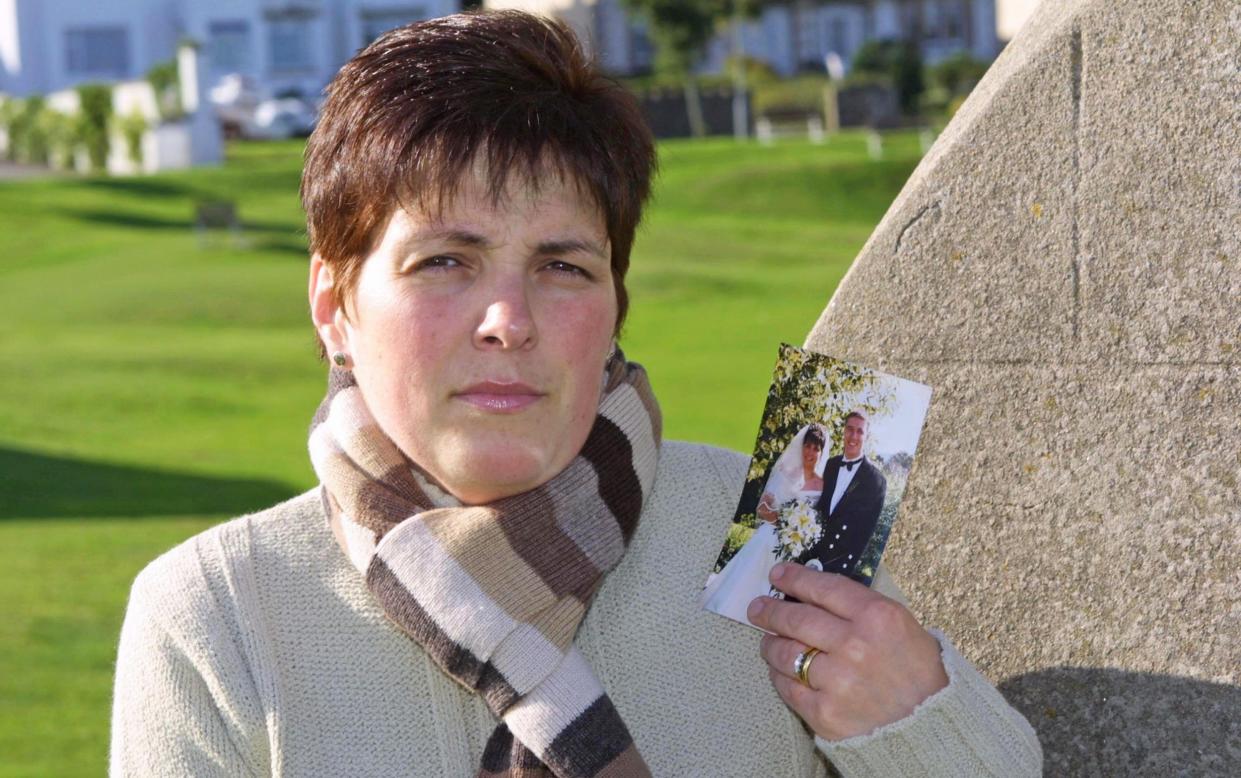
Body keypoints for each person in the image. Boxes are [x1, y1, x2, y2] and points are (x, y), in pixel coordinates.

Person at [109, 11, 1042, 777]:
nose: (508, 319)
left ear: (615, 303)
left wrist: (916, 722)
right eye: (445, 261)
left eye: (562, 265)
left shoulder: (771, 523)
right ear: (334, 303)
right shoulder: (215, 616)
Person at [702, 424, 826, 626]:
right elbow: (762, 509)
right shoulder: (785, 472)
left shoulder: (823, 486)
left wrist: (796, 531)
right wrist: (786, 525)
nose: (810, 452)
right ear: (802, 446)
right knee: (743, 583)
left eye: (816, 448)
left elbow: (815, 522)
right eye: (808, 446)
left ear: (821, 453)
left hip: (790, 550)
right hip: (766, 540)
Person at [798, 411, 887, 583]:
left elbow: (864, 534)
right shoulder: (829, 465)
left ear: (866, 436)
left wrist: (842, 573)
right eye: (850, 429)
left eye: (860, 431)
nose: (853, 436)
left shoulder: (876, 480)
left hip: (836, 567)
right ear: (844, 431)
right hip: (810, 556)